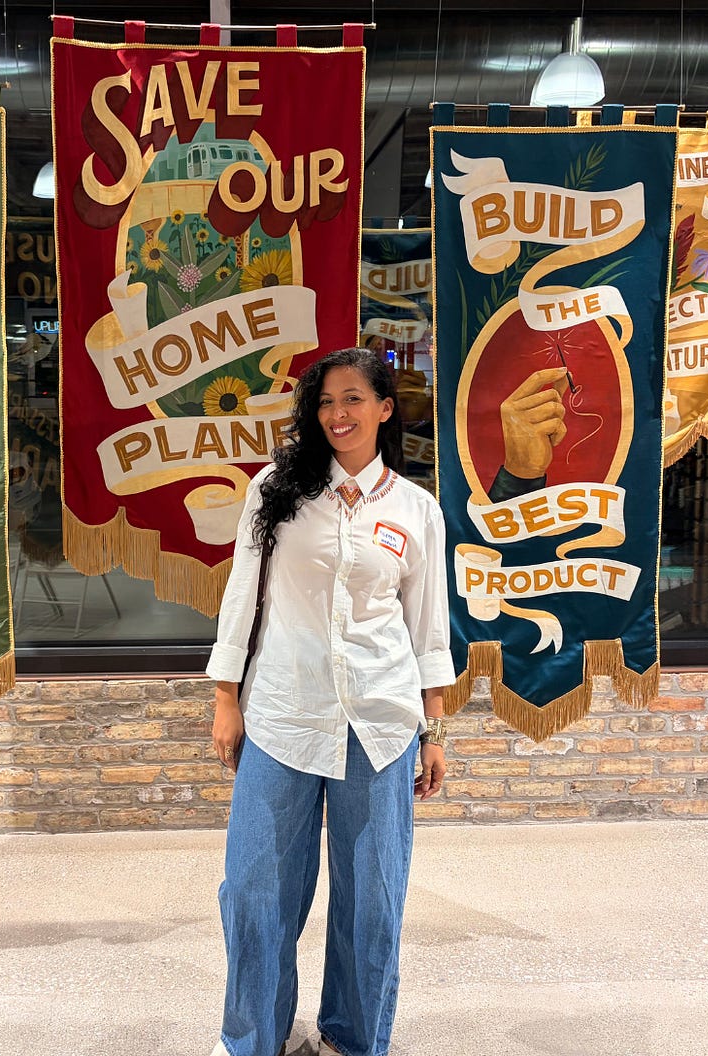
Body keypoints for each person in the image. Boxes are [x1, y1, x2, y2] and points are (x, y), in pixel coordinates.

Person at [206, 347, 454, 1056]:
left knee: (372, 902)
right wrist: (228, 698)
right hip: (282, 716)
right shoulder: (275, 492)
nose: (337, 414)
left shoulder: (417, 512)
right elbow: (240, 599)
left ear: (383, 409)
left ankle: (352, 1037)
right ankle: (253, 1039)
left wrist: (434, 733)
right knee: (256, 893)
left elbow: (427, 631)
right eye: (325, 402)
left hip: (379, 726)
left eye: (352, 399)